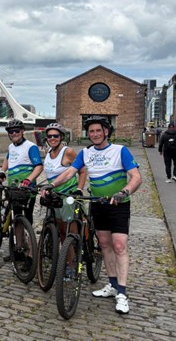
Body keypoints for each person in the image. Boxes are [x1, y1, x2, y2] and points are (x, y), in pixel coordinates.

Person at [42, 115, 141, 315]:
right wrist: (51, 185)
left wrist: (124, 192)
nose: (95, 134)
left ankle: (122, 292)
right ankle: (112, 285)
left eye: (98, 130)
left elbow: (136, 177)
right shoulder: (85, 152)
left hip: (118, 204)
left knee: (119, 245)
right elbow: (70, 172)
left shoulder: (120, 151)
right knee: (104, 244)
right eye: (92, 131)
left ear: (106, 131)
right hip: (97, 204)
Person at [42, 122, 87, 241]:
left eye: (55, 136)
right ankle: (64, 258)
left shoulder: (68, 152)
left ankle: (74, 258)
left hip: (68, 195)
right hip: (55, 195)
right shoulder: (48, 152)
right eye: (49, 136)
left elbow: (82, 171)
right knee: (61, 230)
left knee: (70, 231)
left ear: (61, 137)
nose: (52, 138)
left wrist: (79, 189)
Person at [1, 118, 43, 224]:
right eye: (11, 131)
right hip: (14, 188)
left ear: (22, 131)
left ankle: (29, 240)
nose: (14, 133)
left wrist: (28, 180)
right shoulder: (11, 147)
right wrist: (2, 171)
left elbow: (39, 167)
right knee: (17, 217)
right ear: (8, 134)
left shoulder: (31, 147)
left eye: (17, 131)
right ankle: (19, 241)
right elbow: (8, 158)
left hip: (27, 189)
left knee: (28, 217)